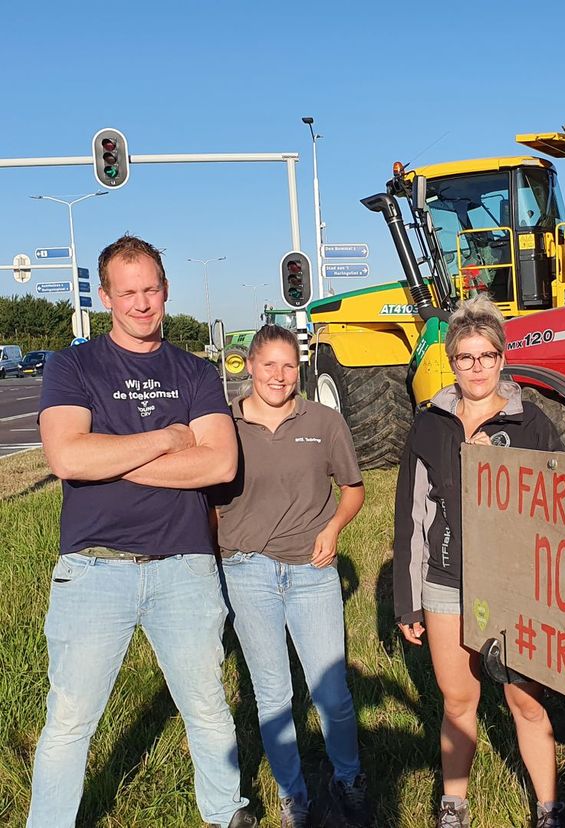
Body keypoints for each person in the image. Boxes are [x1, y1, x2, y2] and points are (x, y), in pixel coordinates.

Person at [30, 235, 254, 828]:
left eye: (150, 289)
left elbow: (219, 465)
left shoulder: (197, 372)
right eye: (127, 292)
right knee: (70, 719)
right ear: (106, 296)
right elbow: (68, 458)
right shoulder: (72, 365)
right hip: (93, 568)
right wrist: (165, 439)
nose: (141, 302)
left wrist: (112, 454)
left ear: (165, 289)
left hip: (184, 566)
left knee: (207, 708)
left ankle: (226, 812)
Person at [393, 295, 565, 828]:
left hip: (517, 587)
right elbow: (411, 517)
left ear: (501, 357)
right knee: (457, 701)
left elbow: (562, 508)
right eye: (466, 357)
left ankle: (548, 807)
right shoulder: (430, 426)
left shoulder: (531, 423)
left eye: (487, 356)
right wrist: (409, 601)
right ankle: (454, 804)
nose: (477, 368)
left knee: (526, 702)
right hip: (447, 583)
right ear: (452, 360)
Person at [213, 324, 370, 828]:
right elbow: (209, 504)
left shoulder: (323, 421)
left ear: (298, 369)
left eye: (288, 366)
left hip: (311, 570)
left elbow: (352, 489)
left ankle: (348, 779)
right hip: (248, 572)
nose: (279, 376)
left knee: (332, 694)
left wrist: (335, 528)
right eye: (269, 365)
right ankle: (292, 796)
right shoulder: (225, 425)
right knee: (274, 695)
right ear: (250, 366)